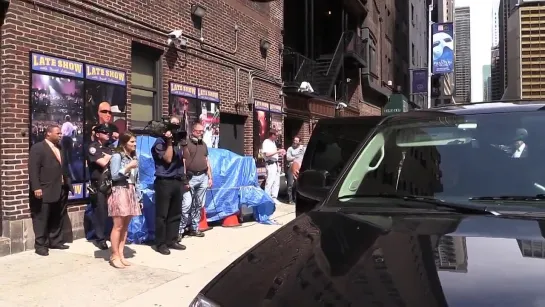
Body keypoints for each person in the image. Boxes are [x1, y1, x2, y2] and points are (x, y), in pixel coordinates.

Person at [28, 125, 73, 256]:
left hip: (60, 189)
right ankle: (41, 245)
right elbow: (33, 170)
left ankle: (56, 241)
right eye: (58, 133)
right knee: (42, 217)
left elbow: (63, 167)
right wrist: (36, 187)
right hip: (45, 189)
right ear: (48, 134)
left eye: (60, 133)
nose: (61, 135)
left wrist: (67, 184)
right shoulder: (38, 148)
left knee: (57, 216)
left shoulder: (60, 148)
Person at [151, 116, 187, 255]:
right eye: (173, 125)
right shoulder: (159, 142)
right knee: (162, 215)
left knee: (175, 213)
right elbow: (168, 159)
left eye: (178, 124)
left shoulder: (177, 141)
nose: (176, 127)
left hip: (177, 181)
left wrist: (183, 144)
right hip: (164, 181)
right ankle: (160, 243)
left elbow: (184, 159)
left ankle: (172, 240)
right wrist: (169, 141)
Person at [107, 132, 142, 269]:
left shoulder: (132, 156)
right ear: (124, 142)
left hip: (130, 191)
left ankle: (121, 254)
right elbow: (114, 175)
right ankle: (114, 255)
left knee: (126, 226)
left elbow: (136, 179)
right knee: (118, 225)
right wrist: (128, 167)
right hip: (119, 190)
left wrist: (138, 196)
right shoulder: (117, 156)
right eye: (132, 142)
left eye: (135, 142)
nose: (134, 145)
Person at [182, 122, 213, 238]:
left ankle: (194, 228)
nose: (201, 133)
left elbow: (207, 161)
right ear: (193, 131)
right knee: (186, 204)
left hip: (203, 177)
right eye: (199, 131)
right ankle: (180, 230)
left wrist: (210, 177)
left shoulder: (203, 145)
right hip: (191, 177)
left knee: (198, 205)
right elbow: (184, 162)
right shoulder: (186, 144)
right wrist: (184, 179)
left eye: (202, 131)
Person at [87, 124, 114, 250]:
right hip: (98, 184)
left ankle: (109, 234)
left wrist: (108, 156)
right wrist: (110, 157)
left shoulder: (109, 147)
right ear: (97, 134)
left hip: (111, 183)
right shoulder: (93, 147)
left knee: (111, 211)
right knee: (100, 212)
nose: (107, 134)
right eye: (105, 132)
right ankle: (100, 238)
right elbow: (102, 163)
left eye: (108, 133)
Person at [262, 129, 285, 202]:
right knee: (270, 181)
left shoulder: (273, 142)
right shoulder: (266, 142)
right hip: (270, 163)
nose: (277, 137)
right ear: (272, 135)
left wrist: (280, 153)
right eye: (276, 135)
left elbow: (273, 153)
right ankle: (267, 198)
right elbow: (267, 154)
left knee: (276, 181)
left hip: (275, 163)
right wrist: (278, 151)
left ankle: (274, 197)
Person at [286, 136, 306, 205]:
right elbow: (288, 158)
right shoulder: (290, 149)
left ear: (299, 142)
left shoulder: (302, 148)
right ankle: (290, 200)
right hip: (291, 166)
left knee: (297, 184)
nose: (295, 142)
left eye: (296, 141)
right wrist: (296, 158)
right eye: (294, 140)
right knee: (290, 184)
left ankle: (296, 199)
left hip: (299, 167)